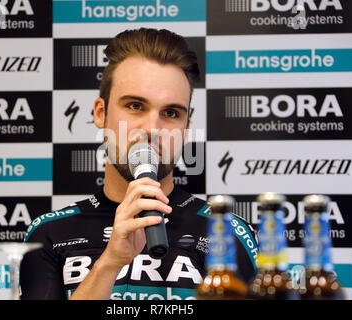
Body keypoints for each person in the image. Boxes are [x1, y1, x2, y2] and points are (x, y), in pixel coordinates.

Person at [20, 28, 258, 300]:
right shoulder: (49, 233)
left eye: (170, 113)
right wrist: (109, 264)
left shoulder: (226, 234)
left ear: (186, 127)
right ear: (101, 113)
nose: (152, 129)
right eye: (135, 106)